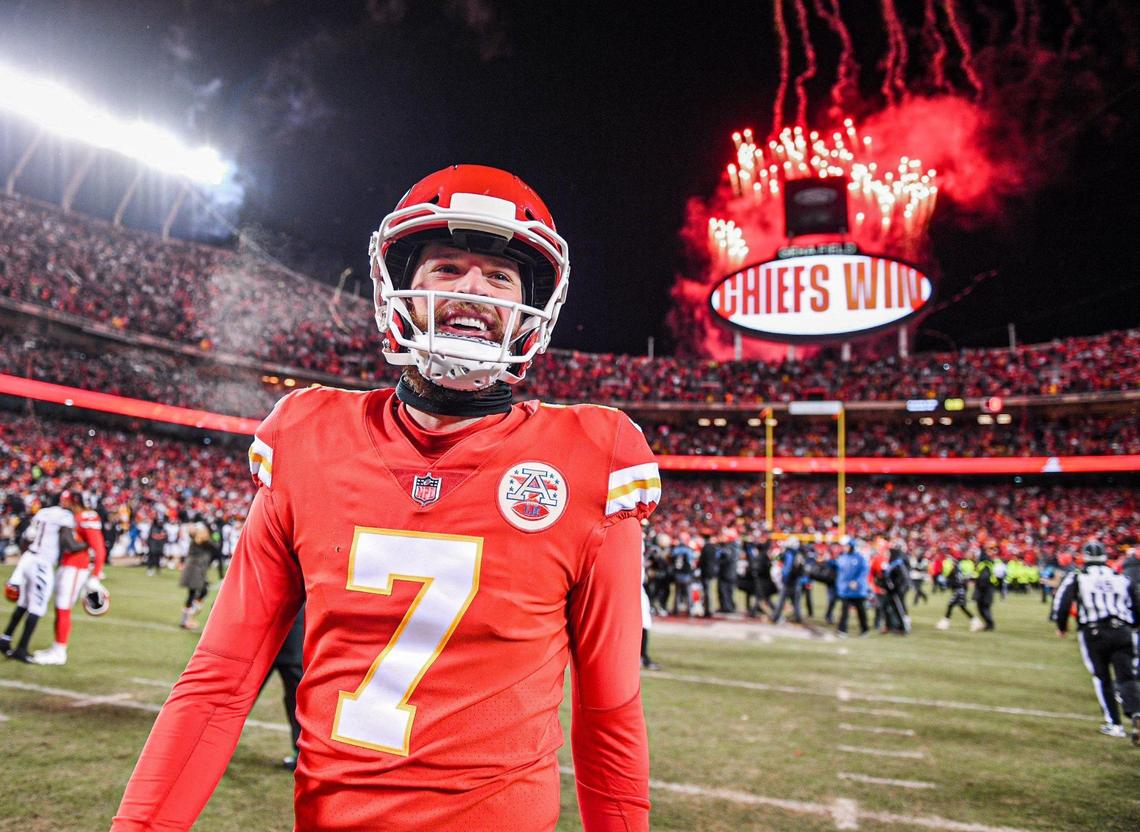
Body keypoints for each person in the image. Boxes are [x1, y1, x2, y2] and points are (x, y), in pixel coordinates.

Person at [112, 165, 660, 832]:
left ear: (532, 307)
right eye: (448, 267)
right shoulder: (308, 434)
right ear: (399, 287)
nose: (473, 290)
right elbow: (220, 681)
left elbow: (609, 711)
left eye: (499, 276)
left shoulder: (591, 455)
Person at [1052, 540, 1140, 744]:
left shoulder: (1079, 576)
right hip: (1123, 630)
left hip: (1095, 631)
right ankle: (1136, 713)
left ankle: (1114, 724)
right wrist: (1133, 627)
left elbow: (1063, 602)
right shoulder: (1120, 577)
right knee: (1127, 678)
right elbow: (1135, 603)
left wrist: (1061, 626)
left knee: (1102, 678)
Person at [2, 490, 88, 662]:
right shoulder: (64, 516)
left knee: (23, 603)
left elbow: (26, 538)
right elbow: (68, 542)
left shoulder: (42, 512)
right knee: (37, 607)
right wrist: (87, 544)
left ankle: (5, 639)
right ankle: (22, 648)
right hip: (42, 563)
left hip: (28, 558)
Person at [31, 495, 108, 665]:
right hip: (67, 565)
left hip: (76, 568)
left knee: (63, 607)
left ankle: (60, 652)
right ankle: (57, 647)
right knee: (59, 608)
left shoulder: (87, 517)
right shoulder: (74, 517)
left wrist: (95, 575)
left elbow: (99, 548)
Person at [178, 522, 219, 630]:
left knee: (198, 593)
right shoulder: (200, 541)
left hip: (197, 571)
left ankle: (188, 619)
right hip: (193, 571)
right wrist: (215, 534)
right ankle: (186, 620)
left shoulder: (202, 541)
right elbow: (216, 545)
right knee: (194, 594)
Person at [936, 548, 979, 631]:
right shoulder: (959, 564)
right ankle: (975, 621)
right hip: (958, 587)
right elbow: (947, 574)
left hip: (960, 588)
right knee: (962, 606)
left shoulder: (967, 564)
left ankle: (945, 623)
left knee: (951, 605)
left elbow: (966, 576)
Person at [834, 538, 870, 637]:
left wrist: (856, 582)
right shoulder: (842, 558)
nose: (845, 548)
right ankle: (842, 630)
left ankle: (864, 630)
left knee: (861, 611)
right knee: (844, 611)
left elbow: (864, 571)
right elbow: (840, 573)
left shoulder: (860, 558)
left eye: (847, 546)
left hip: (858, 590)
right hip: (846, 590)